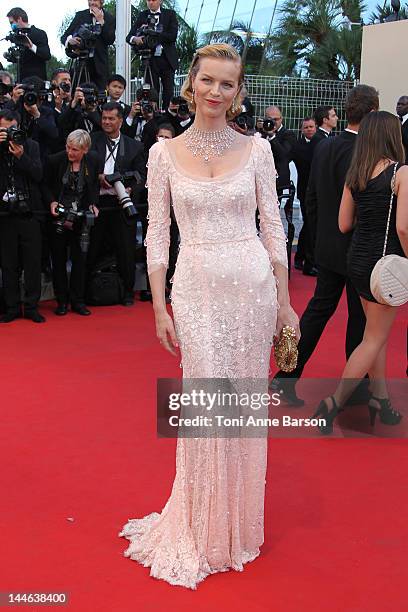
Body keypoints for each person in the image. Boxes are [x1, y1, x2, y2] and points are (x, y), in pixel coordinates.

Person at [118, 43, 299, 589]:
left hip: (251, 291)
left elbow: (274, 230)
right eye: (208, 81)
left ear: (238, 91)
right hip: (195, 292)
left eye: (228, 84)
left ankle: (235, 527)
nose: (216, 93)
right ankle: (200, 525)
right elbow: (156, 235)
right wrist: (157, 304)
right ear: (190, 84)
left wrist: (285, 301)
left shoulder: (259, 151)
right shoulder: (163, 154)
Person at [271, 85, 379, 405]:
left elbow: (312, 197)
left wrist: (317, 242)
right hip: (359, 247)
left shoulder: (325, 146)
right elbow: (363, 205)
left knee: (318, 312)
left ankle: (286, 377)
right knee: (359, 318)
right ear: (371, 113)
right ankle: (356, 389)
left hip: (328, 245)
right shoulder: (366, 152)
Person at [314, 111, 408, 434]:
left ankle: (380, 400)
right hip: (386, 266)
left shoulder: (356, 173)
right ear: (393, 136)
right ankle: (333, 402)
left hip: (358, 262)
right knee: (373, 339)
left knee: (375, 336)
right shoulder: (401, 172)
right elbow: (404, 227)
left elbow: (343, 224)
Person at [88, 102, 146, 306]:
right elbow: (83, 168)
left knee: (126, 249)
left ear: (121, 120)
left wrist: (130, 189)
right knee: (92, 247)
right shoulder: (92, 140)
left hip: (122, 203)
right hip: (97, 202)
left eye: (111, 119)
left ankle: (127, 292)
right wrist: (98, 177)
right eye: (104, 118)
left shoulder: (134, 146)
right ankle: (87, 291)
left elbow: (142, 176)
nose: (106, 122)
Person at [43, 129, 99, 316]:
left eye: (75, 149)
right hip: (58, 217)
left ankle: (78, 301)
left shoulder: (92, 161)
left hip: (81, 218)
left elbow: (93, 187)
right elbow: (45, 185)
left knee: (80, 261)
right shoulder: (55, 160)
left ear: (85, 150)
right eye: (68, 147)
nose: (70, 152)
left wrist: (93, 204)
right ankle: (62, 301)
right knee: (58, 261)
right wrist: (52, 201)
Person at [0, 109, 45, 323]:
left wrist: (21, 156)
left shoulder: (32, 146)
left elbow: (38, 174)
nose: (9, 134)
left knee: (33, 263)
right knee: (9, 264)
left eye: (12, 129)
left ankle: (32, 306)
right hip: (5, 214)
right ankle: (11, 307)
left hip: (29, 213)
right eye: (4, 130)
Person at [126, 0, 178, 110]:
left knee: (168, 92)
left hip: (167, 59)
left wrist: (154, 33)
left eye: (153, 0)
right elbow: (129, 37)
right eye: (148, 0)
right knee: (151, 93)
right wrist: (136, 38)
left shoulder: (170, 14)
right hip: (150, 59)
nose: (150, 2)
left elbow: (172, 36)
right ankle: (152, 117)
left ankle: (167, 118)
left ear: (160, 1)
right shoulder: (142, 15)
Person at [61, 0, 115, 91]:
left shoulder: (109, 18)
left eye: (95, 0)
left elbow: (110, 40)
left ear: (102, 1)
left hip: (100, 67)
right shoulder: (80, 16)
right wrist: (70, 41)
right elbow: (64, 37)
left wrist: (101, 22)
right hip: (82, 63)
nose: (92, 3)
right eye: (90, 0)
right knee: (80, 95)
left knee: (100, 97)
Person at [293, 117, 317, 275]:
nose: (309, 129)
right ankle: (303, 258)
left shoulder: (319, 143)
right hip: (304, 190)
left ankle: (300, 256)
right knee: (308, 225)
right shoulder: (299, 146)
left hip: (312, 189)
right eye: (306, 127)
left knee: (308, 225)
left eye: (311, 127)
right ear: (302, 130)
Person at [6, 7, 51, 81]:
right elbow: (21, 59)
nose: (11, 25)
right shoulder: (16, 36)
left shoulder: (39, 33)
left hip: (38, 81)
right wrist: (10, 57)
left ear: (19, 19)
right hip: (22, 81)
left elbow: (47, 55)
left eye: (12, 22)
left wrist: (31, 46)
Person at [262, 105, 296, 194]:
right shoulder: (261, 133)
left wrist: (272, 136)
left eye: (276, 119)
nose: (273, 122)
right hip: (261, 178)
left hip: (278, 180)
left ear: (281, 119)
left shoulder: (288, 134)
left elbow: (283, 155)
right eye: (270, 119)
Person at [396, 95, 408, 163]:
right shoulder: (393, 120)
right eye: (398, 104)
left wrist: (400, 126)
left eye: (402, 104)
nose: (399, 106)